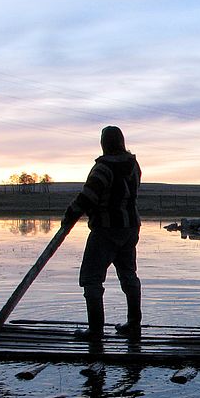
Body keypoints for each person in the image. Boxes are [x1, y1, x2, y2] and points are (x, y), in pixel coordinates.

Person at [62, 126, 142, 340]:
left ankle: (95, 330)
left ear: (104, 143)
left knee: (91, 278)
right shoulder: (134, 166)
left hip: (106, 230)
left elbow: (88, 196)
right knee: (129, 275)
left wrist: (70, 215)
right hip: (130, 228)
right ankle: (134, 323)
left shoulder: (103, 168)